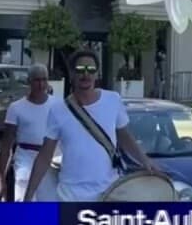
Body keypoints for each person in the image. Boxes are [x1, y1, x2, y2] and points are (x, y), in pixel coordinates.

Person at [25, 50, 158, 202]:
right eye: (80, 70)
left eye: (91, 70)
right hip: (70, 196)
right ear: (72, 73)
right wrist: (28, 197)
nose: (86, 75)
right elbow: (44, 156)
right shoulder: (58, 110)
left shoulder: (113, 100)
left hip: (109, 193)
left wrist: (145, 161)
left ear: (97, 73)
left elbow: (125, 137)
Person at [0, 64, 60, 202]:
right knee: (24, 199)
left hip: (50, 159)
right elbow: (5, 147)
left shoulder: (58, 105)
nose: (41, 84)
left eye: (44, 80)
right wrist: (1, 179)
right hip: (24, 160)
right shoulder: (16, 108)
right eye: (37, 80)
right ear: (29, 81)